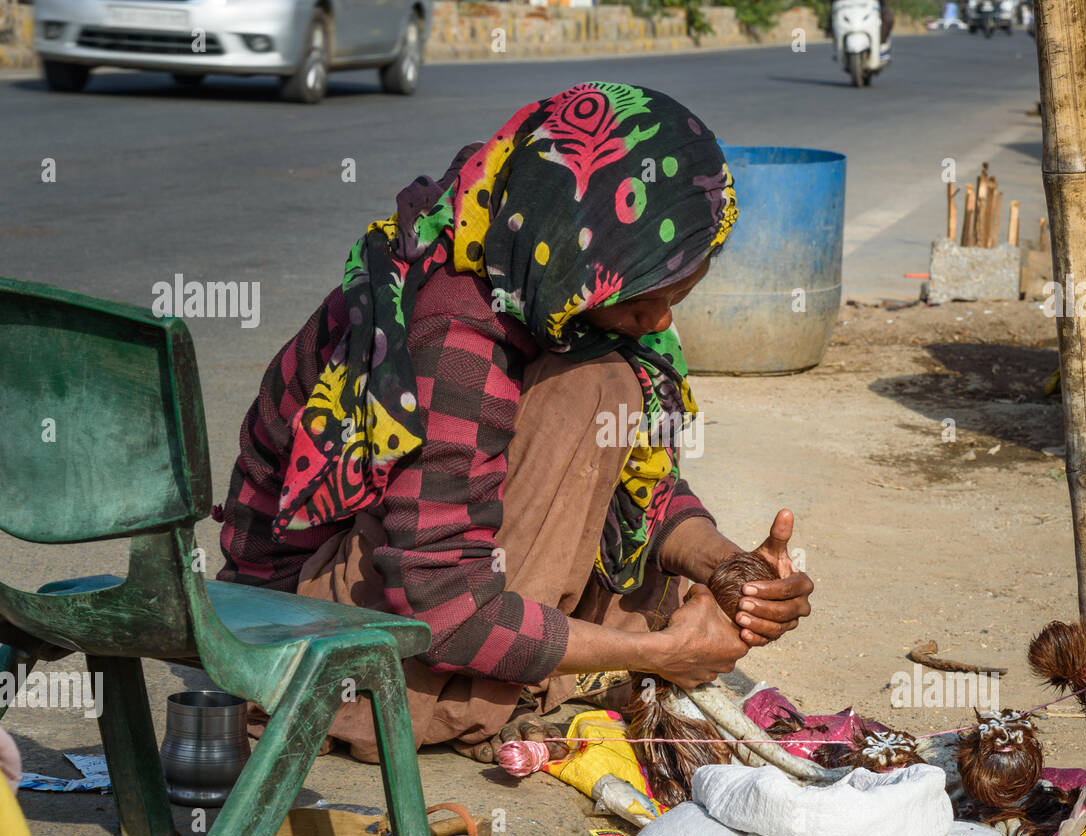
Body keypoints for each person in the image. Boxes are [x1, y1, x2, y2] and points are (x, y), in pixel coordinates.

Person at [216, 83, 815, 764]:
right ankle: (452, 701)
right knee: (595, 390)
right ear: (586, 255)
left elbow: (639, 483)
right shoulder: (455, 325)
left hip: (428, 579)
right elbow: (445, 609)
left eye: (678, 297)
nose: (663, 322)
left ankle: (532, 666)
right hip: (305, 630)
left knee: (612, 394)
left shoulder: (555, 288)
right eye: (649, 299)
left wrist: (731, 568)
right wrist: (662, 653)